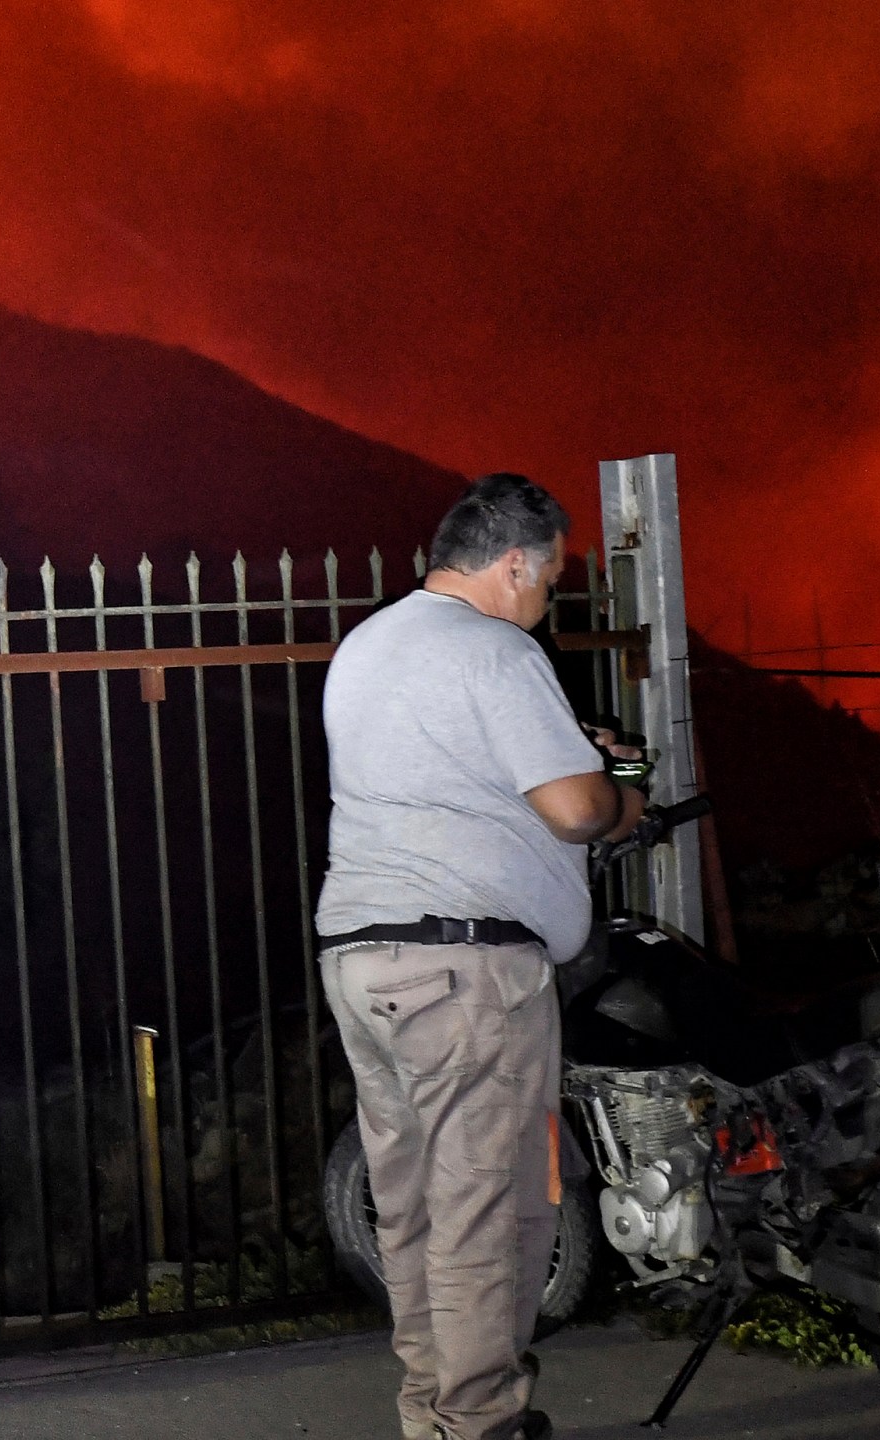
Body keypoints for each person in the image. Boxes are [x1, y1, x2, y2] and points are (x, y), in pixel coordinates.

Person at [314, 473, 645, 1440]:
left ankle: (435, 1415)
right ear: (513, 564)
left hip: (365, 964)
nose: (548, 601)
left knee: (413, 1211)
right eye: (549, 580)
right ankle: (480, 1425)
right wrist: (627, 794)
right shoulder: (496, 648)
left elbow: (450, 775)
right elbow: (580, 810)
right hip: (466, 972)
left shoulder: (371, 644)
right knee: (490, 1215)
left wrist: (572, 750)